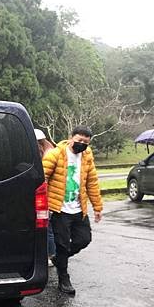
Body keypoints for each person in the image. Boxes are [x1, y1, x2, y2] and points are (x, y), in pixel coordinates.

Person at [42, 125, 103, 295]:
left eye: (86, 142)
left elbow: (92, 182)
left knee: (84, 239)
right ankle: (64, 279)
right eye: (79, 140)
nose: (82, 144)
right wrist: (41, 203)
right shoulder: (56, 154)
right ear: (71, 138)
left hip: (78, 209)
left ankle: (58, 259)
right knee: (61, 244)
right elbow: (42, 177)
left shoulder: (87, 156)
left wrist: (97, 207)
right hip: (59, 210)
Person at [34, 129, 56, 263]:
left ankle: (50, 255)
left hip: (47, 197)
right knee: (49, 227)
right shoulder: (51, 150)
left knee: (48, 228)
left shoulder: (47, 155)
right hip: (50, 196)